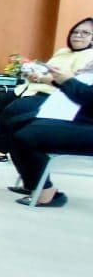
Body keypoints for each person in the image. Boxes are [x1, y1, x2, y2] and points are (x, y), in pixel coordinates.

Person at [0, 17, 93, 161]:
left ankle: (0, 150)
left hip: (52, 94)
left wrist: (41, 77)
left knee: (14, 110)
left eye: (85, 33)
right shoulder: (63, 52)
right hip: (29, 88)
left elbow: (73, 82)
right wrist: (32, 69)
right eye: (75, 32)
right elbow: (47, 69)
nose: (78, 36)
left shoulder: (89, 56)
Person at [6, 65, 93, 207]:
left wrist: (68, 81)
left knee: (27, 136)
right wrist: (58, 80)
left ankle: (46, 192)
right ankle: (35, 183)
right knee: (15, 123)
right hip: (81, 118)